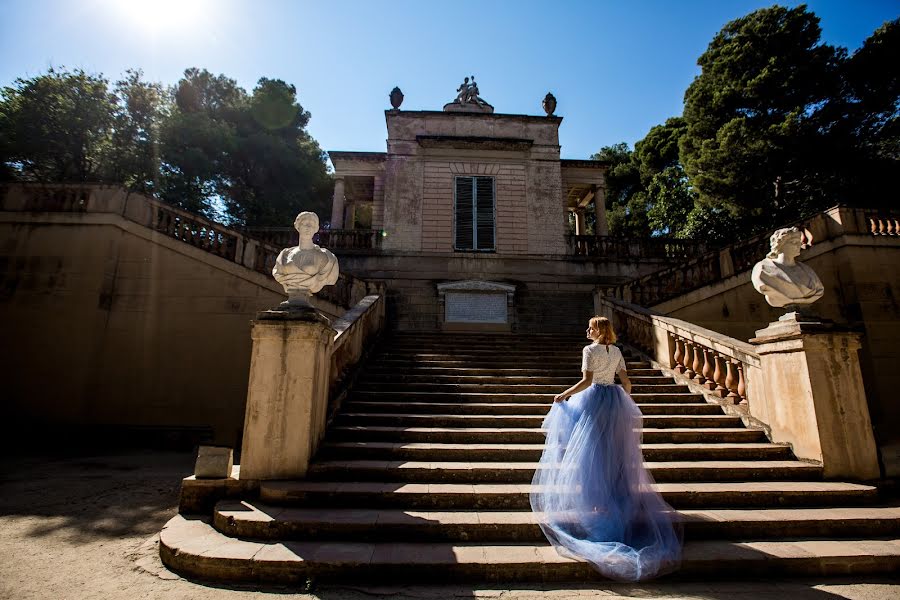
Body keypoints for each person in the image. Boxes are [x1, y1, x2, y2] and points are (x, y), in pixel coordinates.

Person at [530, 316, 683, 581]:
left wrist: (563, 395)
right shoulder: (617, 351)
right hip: (615, 400)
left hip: (595, 399)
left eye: (590, 326)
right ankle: (611, 500)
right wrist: (625, 401)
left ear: (598, 330)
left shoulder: (589, 350)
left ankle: (596, 505)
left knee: (592, 453)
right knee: (613, 453)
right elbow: (627, 382)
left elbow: (587, 382)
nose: (586, 329)